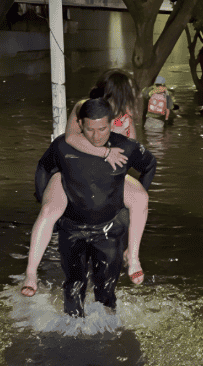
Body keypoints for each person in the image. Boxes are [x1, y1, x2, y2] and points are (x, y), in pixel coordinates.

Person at [22, 70, 149, 297]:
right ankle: (31, 273)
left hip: (105, 179)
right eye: (117, 100)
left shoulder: (125, 117)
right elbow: (70, 137)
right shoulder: (84, 107)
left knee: (140, 198)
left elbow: (132, 149)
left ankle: (134, 256)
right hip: (71, 171)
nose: (120, 107)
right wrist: (105, 153)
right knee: (50, 209)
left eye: (124, 101)